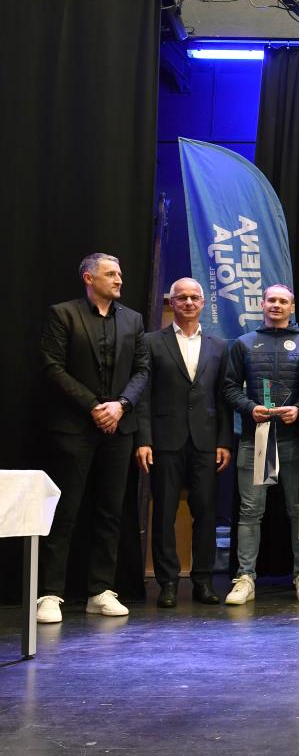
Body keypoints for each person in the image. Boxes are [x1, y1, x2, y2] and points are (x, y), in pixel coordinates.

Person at [36, 253, 150, 623]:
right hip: (74, 428)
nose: (119, 280)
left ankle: (100, 590)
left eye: (120, 273)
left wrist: (120, 405)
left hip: (119, 428)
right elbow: (53, 367)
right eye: (111, 274)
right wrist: (94, 407)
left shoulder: (133, 319)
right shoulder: (63, 314)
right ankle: (49, 593)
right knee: (65, 511)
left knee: (110, 511)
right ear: (89, 278)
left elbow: (142, 369)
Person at [136, 278, 234, 608]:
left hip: (206, 442)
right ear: (172, 302)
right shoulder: (151, 342)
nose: (189, 302)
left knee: (206, 512)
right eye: (182, 298)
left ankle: (203, 581)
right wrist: (144, 439)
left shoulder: (219, 345)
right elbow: (144, 396)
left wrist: (224, 441)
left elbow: (223, 397)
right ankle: (167, 583)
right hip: (165, 441)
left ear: (203, 303)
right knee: (163, 513)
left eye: (194, 297)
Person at [222, 284, 299, 605]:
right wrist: (249, 408)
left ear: (292, 307)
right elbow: (230, 387)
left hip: (295, 442)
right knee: (250, 511)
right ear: (262, 304)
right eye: (271, 300)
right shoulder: (244, 344)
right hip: (256, 440)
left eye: (283, 301)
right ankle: (245, 577)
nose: (276, 305)